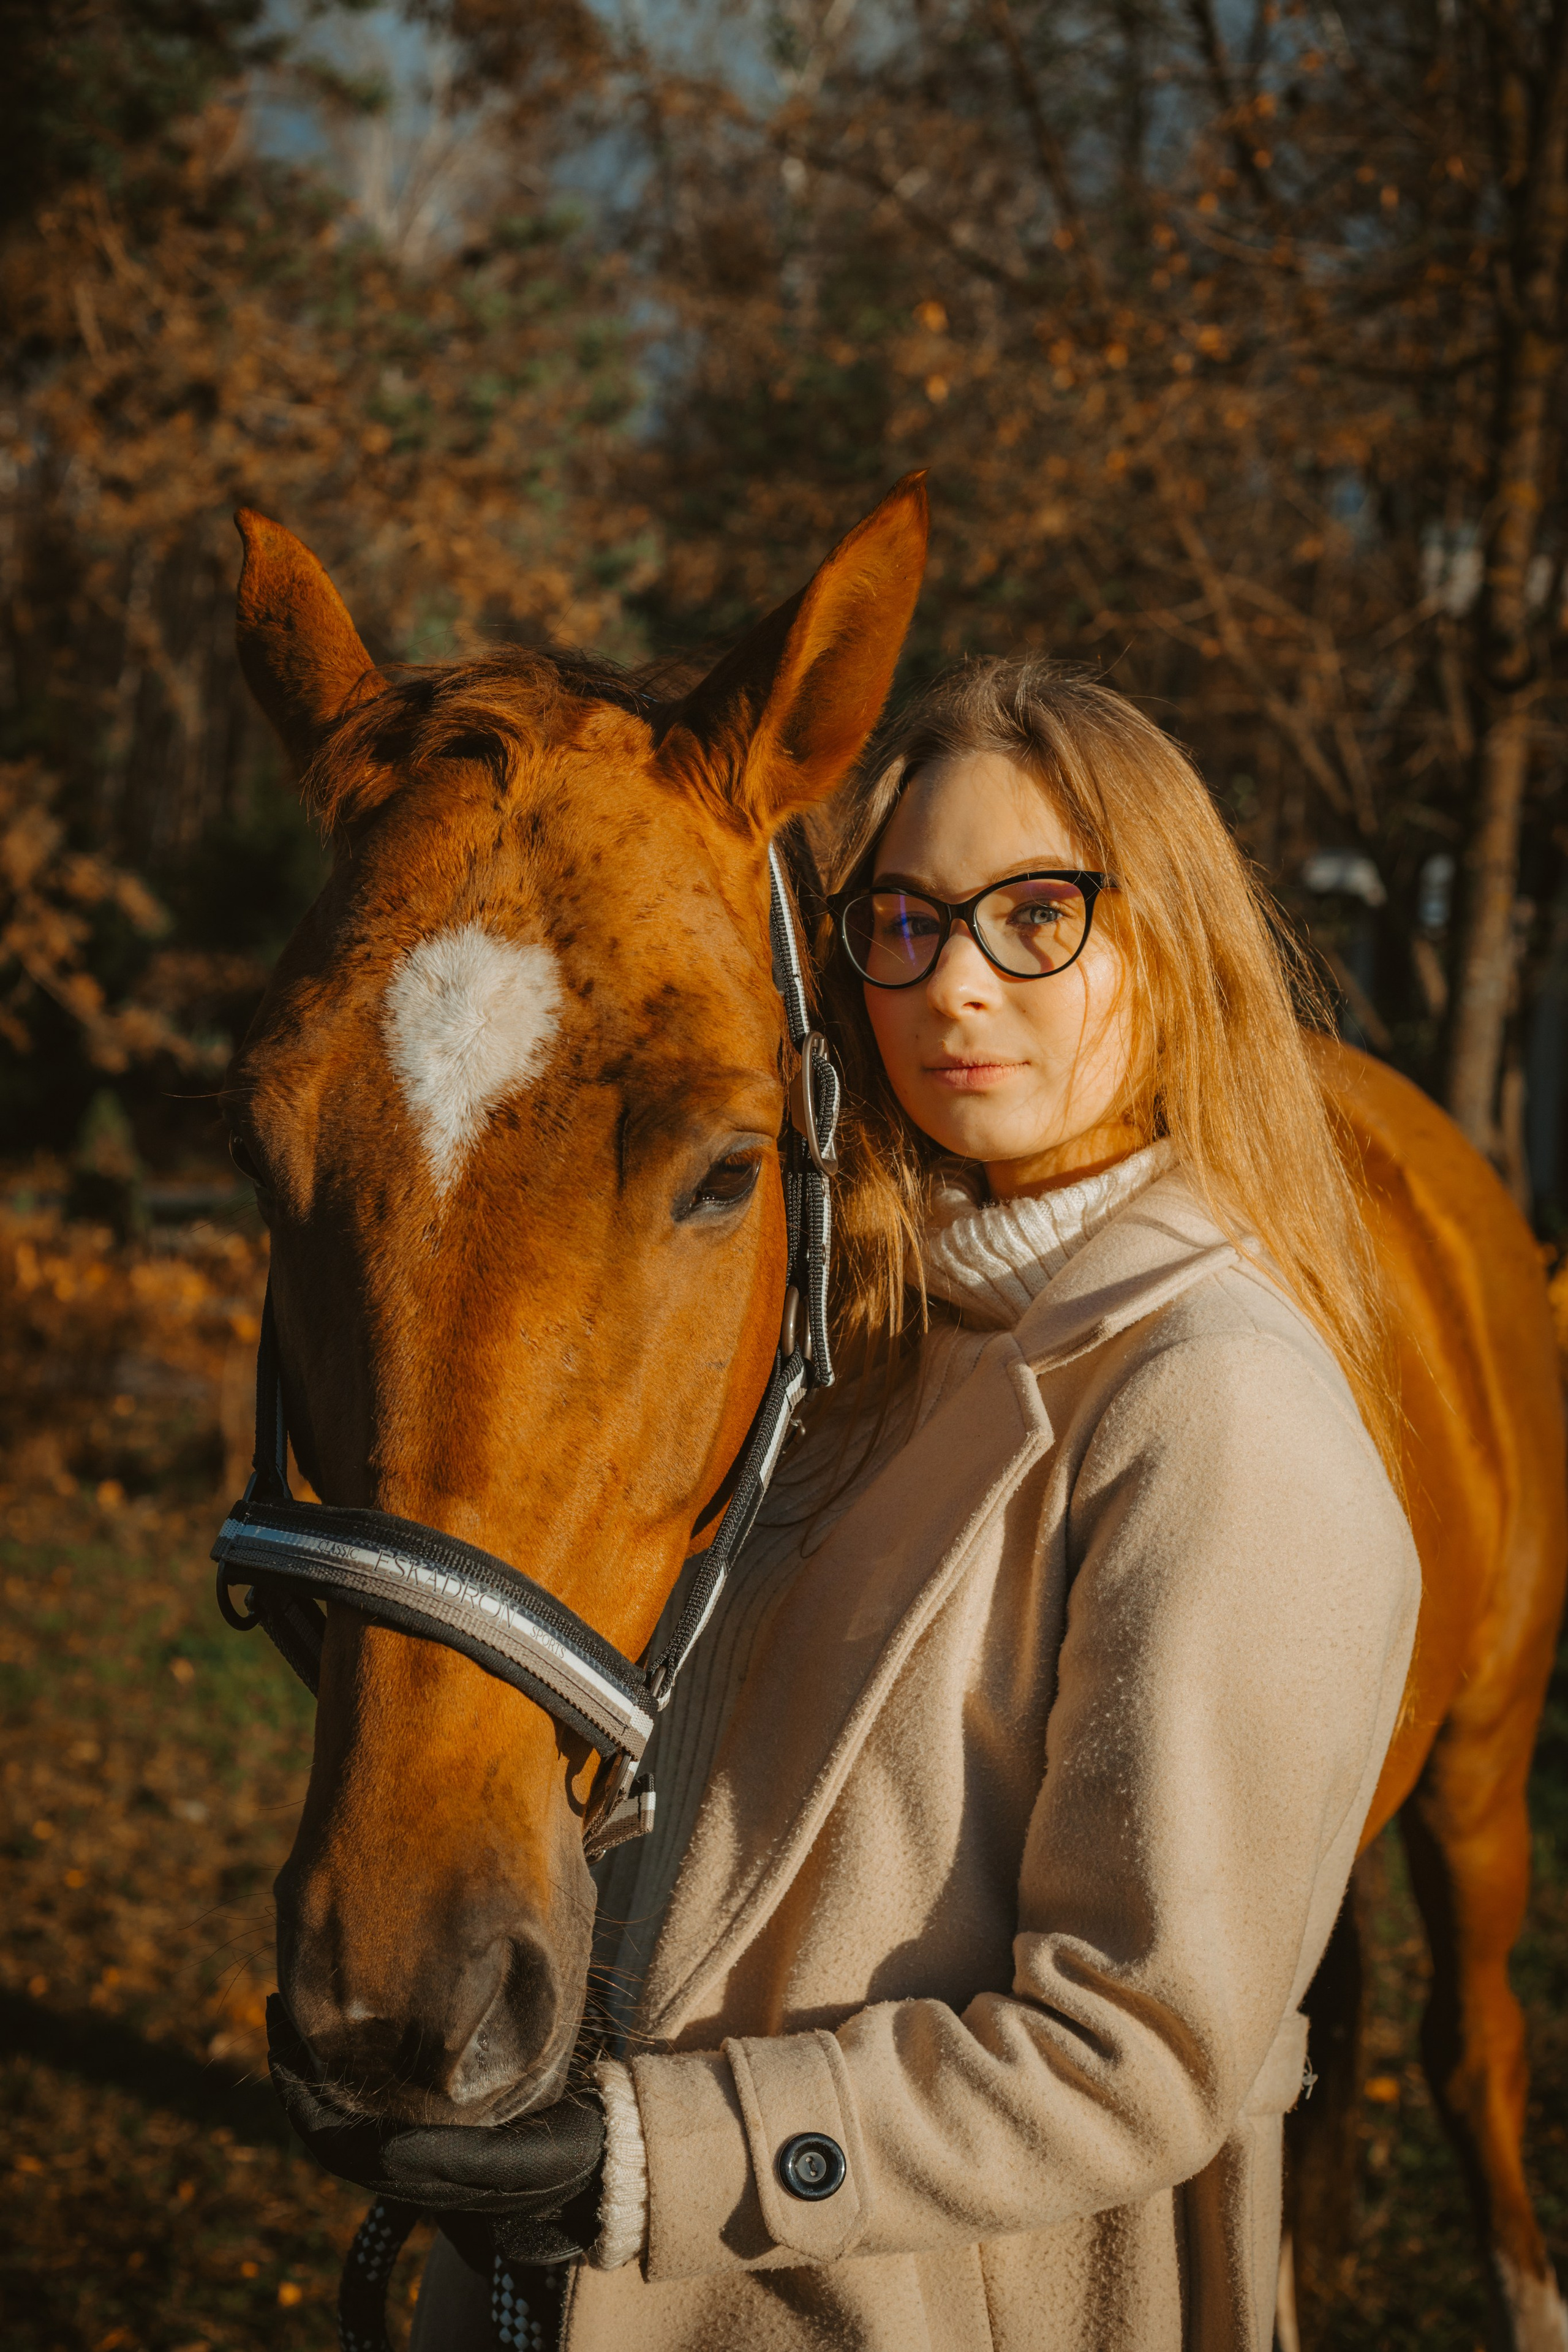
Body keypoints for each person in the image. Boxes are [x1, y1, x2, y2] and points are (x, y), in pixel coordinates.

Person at [413, 658, 1419, 2350]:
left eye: (1039, 916)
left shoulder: (1217, 1407)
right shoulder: (852, 1335)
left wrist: (655, 2158)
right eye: (906, 918)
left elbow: (1138, 2053)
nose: (955, 982)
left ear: (1164, 942)